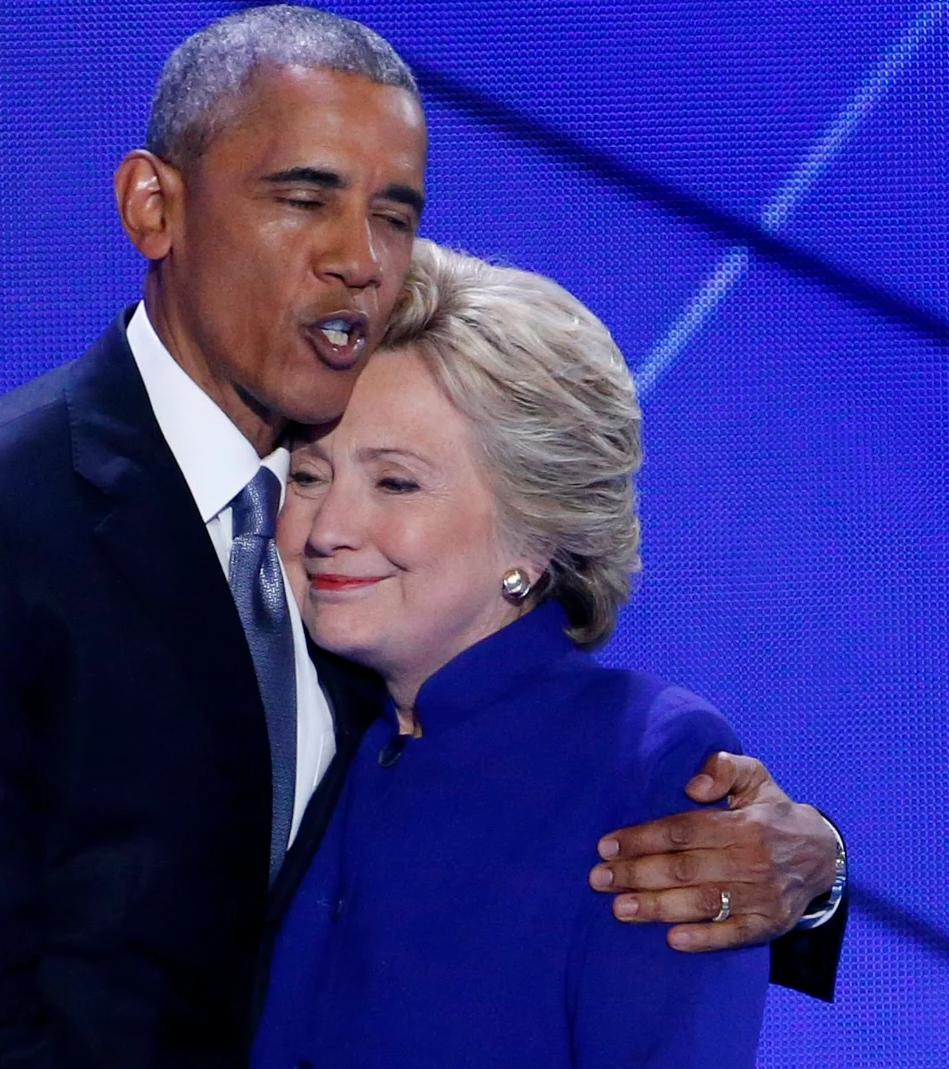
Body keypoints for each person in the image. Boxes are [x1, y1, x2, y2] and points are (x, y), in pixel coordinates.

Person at [0, 8, 845, 1066]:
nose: (356, 257)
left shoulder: (398, 639)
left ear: (536, 528)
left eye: (392, 215)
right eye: (303, 197)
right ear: (153, 206)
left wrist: (815, 873)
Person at [252, 239, 764, 1066]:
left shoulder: (649, 766)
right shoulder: (279, 710)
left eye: (395, 483)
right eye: (309, 476)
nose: (329, 529)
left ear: (533, 533)